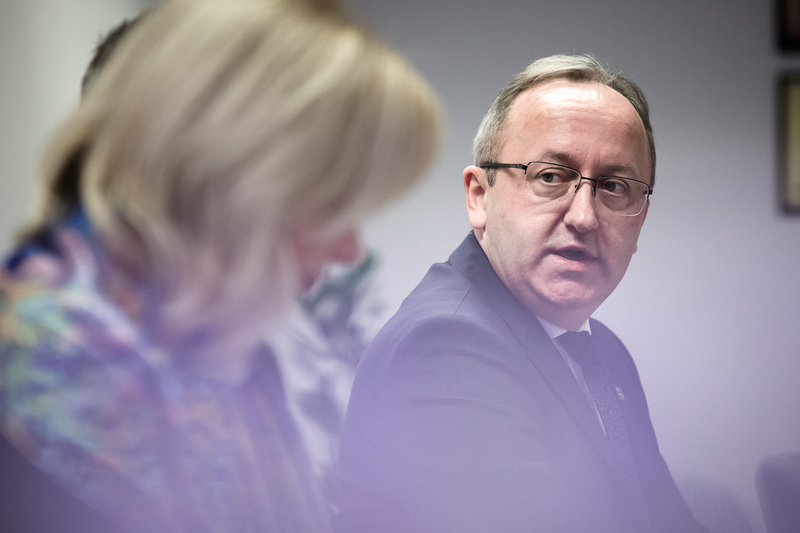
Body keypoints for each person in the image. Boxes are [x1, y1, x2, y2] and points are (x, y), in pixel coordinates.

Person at [0, 0, 442, 531]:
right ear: (226, 179)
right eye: (331, 207)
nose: (351, 250)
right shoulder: (45, 379)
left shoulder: (220, 353)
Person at [337, 54, 709, 533]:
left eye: (615, 186)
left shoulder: (601, 352)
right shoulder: (447, 347)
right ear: (479, 196)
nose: (584, 217)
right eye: (551, 177)